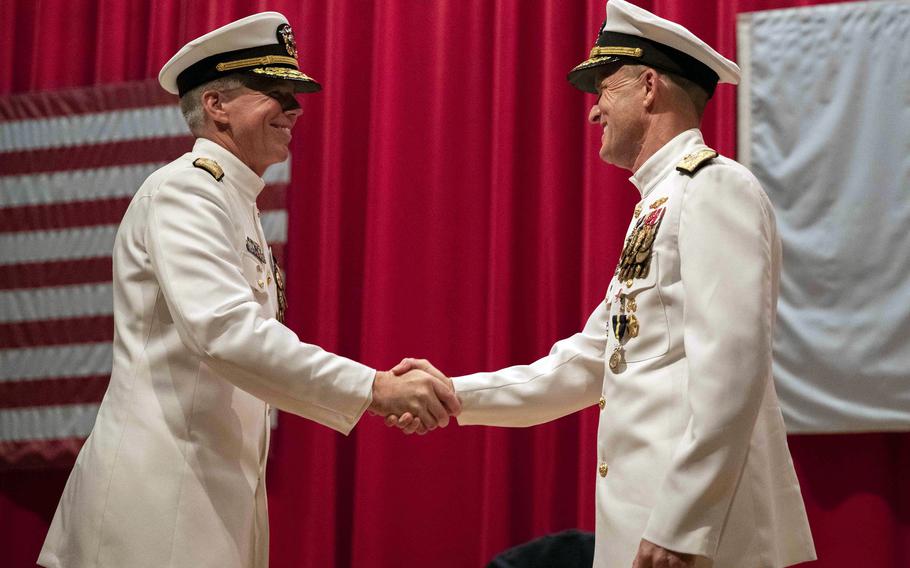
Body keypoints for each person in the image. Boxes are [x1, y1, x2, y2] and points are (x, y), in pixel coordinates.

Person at [390, 1, 816, 566]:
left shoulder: (715, 189)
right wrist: (452, 396)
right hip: (651, 529)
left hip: (703, 539)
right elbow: (587, 363)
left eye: (603, 91)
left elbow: (733, 370)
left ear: (647, 87)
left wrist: (682, 525)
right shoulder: (659, 204)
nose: (594, 114)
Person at [37, 12, 459, 568]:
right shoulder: (188, 192)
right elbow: (227, 333)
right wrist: (373, 388)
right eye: (275, 92)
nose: (294, 109)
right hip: (155, 509)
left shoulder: (235, 201)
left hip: (206, 495)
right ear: (215, 105)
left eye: (295, 95)